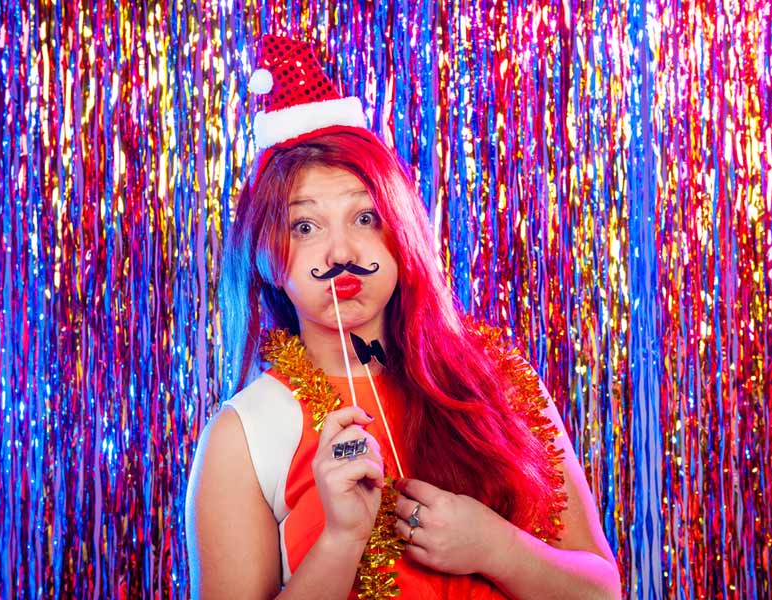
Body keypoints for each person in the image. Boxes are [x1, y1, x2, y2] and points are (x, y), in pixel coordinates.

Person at [185, 35, 621, 599]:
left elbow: (601, 591)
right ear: (265, 255)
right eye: (305, 226)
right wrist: (342, 540)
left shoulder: (499, 380)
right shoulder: (244, 434)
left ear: (401, 231)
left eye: (365, 216)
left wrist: (494, 545)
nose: (340, 252)